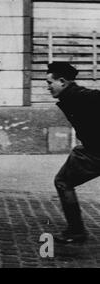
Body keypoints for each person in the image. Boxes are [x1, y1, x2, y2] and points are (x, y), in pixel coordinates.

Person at [46, 61, 100, 244]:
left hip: (95, 151)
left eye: (49, 83)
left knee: (63, 181)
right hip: (91, 149)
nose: (48, 88)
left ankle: (76, 231)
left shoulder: (80, 95)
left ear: (61, 81)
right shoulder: (73, 95)